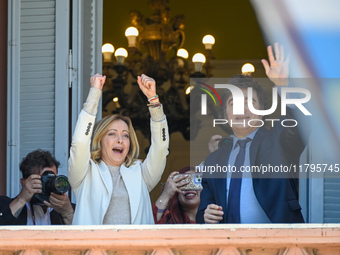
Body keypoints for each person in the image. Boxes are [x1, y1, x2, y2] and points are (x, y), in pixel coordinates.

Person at [197, 43, 305, 224]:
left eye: (249, 101)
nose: (241, 108)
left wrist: (284, 85)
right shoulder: (213, 161)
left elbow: (299, 122)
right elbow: (203, 213)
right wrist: (206, 215)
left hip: (279, 245)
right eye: (234, 103)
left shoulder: (279, 141)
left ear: (262, 111)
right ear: (225, 115)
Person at [68, 73, 169, 225]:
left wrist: (153, 100)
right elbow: (79, 143)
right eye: (112, 134)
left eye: (125, 135)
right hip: (95, 248)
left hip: (135, 248)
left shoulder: (141, 174)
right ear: (99, 140)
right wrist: (94, 94)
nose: (120, 140)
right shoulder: (84, 173)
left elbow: (161, 149)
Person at [0, 149, 74, 225]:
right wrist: (22, 199)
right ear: (23, 183)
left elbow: (82, 234)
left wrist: (67, 213)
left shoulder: (70, 209)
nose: (48, 184)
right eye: (42, 180)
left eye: (52, 179)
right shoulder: (4, 205)